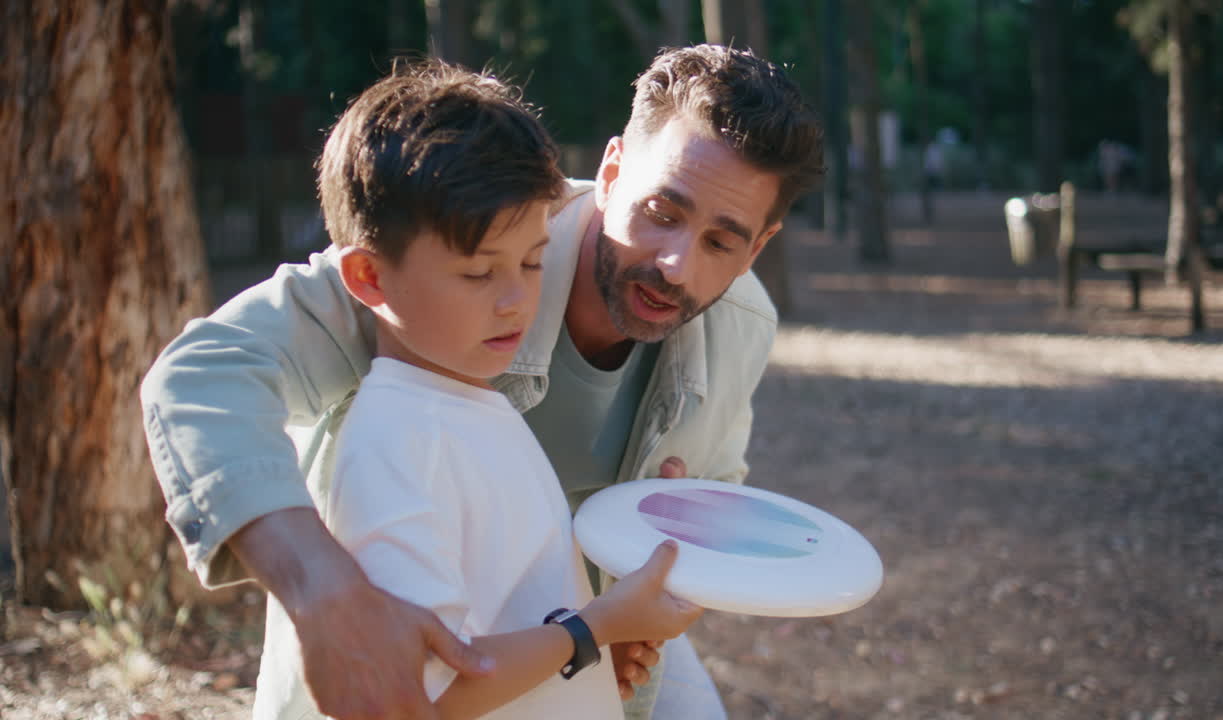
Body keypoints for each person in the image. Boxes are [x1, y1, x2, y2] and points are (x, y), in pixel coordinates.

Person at [141, 44, 824, 720]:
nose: (677, 265)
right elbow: (202, 376)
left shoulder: (743, 323)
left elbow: (716, 491)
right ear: (612, 172)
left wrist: (668, 551)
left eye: (721, 241)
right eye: (663, 213)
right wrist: (324, 588)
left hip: (583, 650)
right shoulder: (456, 244)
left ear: (757, 247)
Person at [250, 60, 702, 720]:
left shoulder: (473, 400)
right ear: (371, 278)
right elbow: (427, 693)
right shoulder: (396, 442)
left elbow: (510, 619)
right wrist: (589, 630)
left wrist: (591, 656)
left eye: (530, 260)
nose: (518, 300)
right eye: (478, 273)